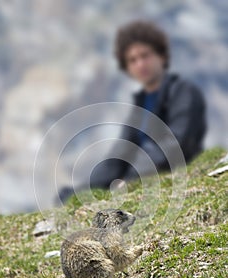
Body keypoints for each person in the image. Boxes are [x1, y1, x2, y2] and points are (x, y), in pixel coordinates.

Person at [59, 20, 207, 203]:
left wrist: (131, 179)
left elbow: (175, 143)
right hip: (140, 179)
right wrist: (85, 191)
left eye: (145, 55)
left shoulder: (183, 92)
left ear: (161, 56)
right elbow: (121, 153)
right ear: (127, 67)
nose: (140, 64)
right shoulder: (140, 106)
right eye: (133, 60)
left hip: (175, 179)